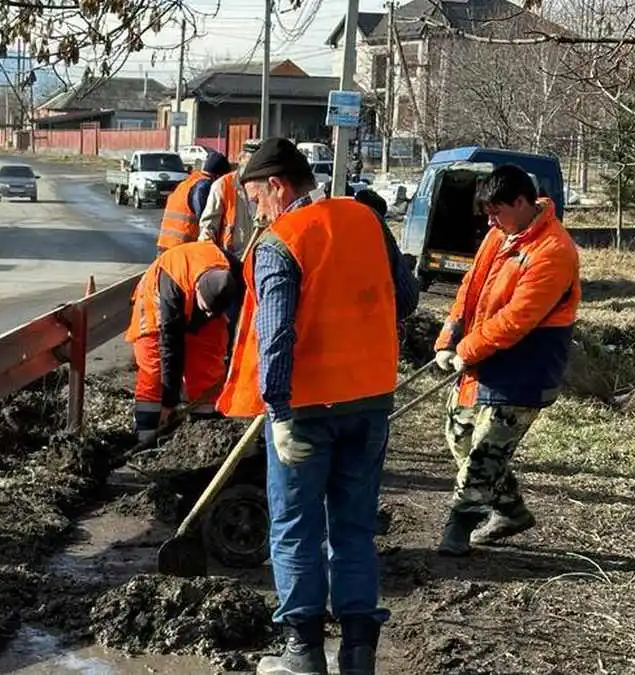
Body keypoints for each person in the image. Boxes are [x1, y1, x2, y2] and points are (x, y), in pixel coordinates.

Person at [215, 138, 418, 675]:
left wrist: (277, 409)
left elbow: (275, 334)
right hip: (370, 401)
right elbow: (407, 295)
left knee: (296, 526)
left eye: (256, 197)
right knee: (353, 527)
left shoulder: (282, 242)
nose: (256, 210)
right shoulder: (365, 220)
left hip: (304, 410)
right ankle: (357, 656)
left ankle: (302, 655)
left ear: (277, 186)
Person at [432, 164, 579, 556]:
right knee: (459, 435)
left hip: (524, 367)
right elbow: (470, 287)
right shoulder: (499, 236)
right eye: (488, 214)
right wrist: (450, 338)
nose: (491, 221)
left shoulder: (553, 251)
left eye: (497, 211)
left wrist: (466, 350)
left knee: (485, 451)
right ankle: (511, 511)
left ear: (521, 201)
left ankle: (459, 525)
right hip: (484, 358)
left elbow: (516, 320)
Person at [124, 240, 244, 443]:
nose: (208, 314)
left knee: (208, 365)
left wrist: (233, 353)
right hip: (155, 309)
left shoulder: (234, 274)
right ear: (197, 288)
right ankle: (146, 433)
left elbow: (240, 318)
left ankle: (206, 430)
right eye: (205, 308)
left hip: (196, 305)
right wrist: (168, 403)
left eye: (212, 311)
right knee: (154, 369)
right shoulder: (171, 286)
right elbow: (170, 347)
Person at [155, 151, 232, 255]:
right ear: (219, 176)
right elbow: (207, 221)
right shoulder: (204, 187)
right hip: (182, 250)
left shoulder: (188, 182)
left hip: (167, 246)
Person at [198, 140, 260, 257]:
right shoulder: (223, 185)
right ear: (241, 159)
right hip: (230, 259)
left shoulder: (267, 187)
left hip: (257, 259)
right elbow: (208, 229)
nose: (254, 169)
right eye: (251, 162)